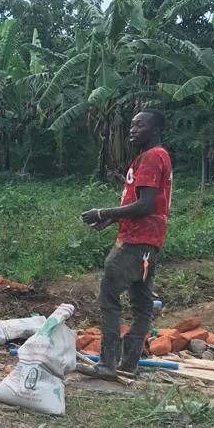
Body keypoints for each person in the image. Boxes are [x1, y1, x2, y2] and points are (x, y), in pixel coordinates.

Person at [81, 109, 172, 379]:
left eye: (140, 125)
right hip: (151, 241)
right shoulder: (159, 155)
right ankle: (129, 364)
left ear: (155, 130)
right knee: (142, 304)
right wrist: (112, 220)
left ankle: (107, 363)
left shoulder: (151, 157)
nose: (133, 129)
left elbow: (144, 205)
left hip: (134, 242)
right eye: (132, 125)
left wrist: (103, 213)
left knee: (109, 296)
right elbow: (144, 203)